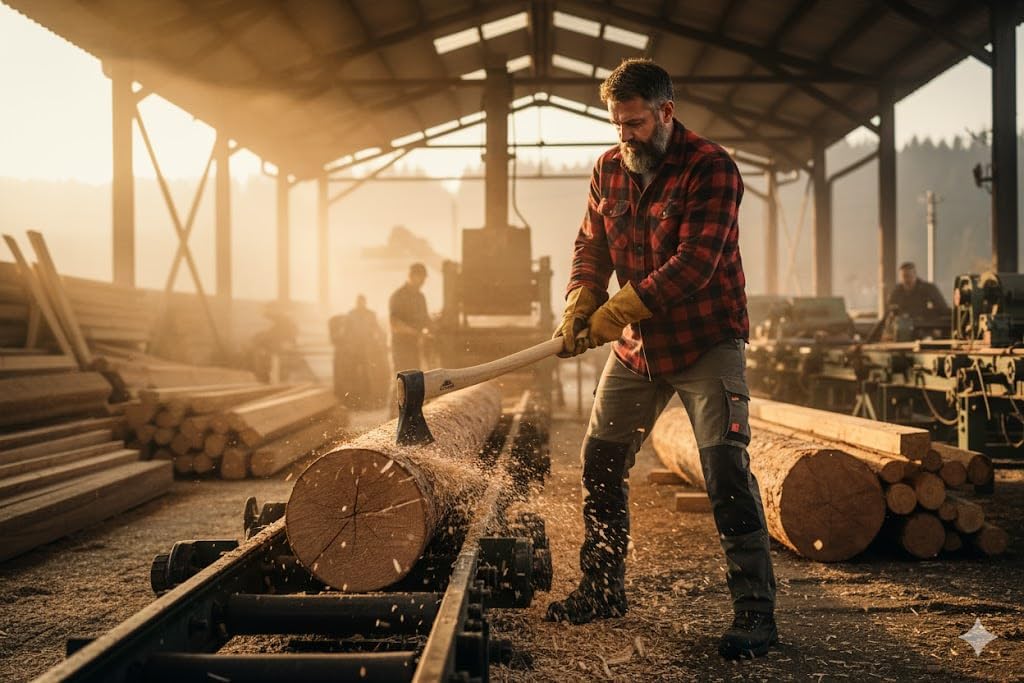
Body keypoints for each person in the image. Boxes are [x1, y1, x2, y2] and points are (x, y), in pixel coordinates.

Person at [547, 58, 777, 660]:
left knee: (725, 471)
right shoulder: (607, 169)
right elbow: (589, 245)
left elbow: (695, 266)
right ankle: (601, 588)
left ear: (666, 112)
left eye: (636, 123)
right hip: (638, 349)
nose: (625, 136)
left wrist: (616, 310)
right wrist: (580, 297)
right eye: (617, 124)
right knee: (599, 459)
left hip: (706, 338)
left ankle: (755, 612)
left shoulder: (712, 168)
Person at [329, 294, 385, 408]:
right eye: (359, 302)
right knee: (353, 375)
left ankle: (366, 399)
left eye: (362, 302)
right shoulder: (351, 315)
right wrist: (342, 342)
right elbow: (345, 331)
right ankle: (356, 400)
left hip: (366, 349)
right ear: (357, 302)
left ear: (364, 302)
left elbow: (376, 328)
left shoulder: (370, 314)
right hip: (354, 350)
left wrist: (381, 339)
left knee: (367, 375)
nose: (360, 304)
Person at [389, 263, 431, 375]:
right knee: (401, 381)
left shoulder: (420, 297)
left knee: (414, 379)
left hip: (414, 347)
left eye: (424, 278)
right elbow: (395, 325)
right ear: (412, 276)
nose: (423, 281)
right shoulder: (398, 296)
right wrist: (416, 333)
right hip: (401, 347)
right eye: (421, 277)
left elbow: (425, 319)